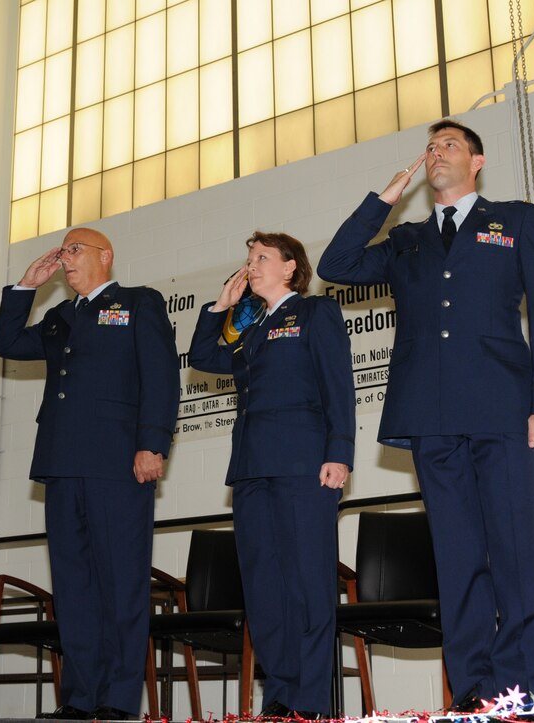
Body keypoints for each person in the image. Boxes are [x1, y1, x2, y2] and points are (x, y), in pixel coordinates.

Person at [318, 119, 534, 709]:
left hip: (503, 410)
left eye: (449, 145)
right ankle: (475, 694)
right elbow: (336, 263)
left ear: (477, 161)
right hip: (430, 416)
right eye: (430, 146)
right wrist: (382, 201)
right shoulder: (407, 240)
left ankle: (524, 695)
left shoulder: (515, 220)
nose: (436, 153)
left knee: (513, 553)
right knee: (458, 560)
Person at [0, 227, 180, 720]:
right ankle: (80, 697)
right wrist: (26, 287)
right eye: (63, 251)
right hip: (61, 461)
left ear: (106, 256)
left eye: (75, 249)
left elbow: (161, 375)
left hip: (118, 461)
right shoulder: (58, 316)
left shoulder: (138, 303)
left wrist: (152, 443)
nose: (66, 258)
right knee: (73, 587)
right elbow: (7, 341)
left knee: (121, 582)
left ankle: (118, 699)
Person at [188, 232, 355, 720]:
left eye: (262, 257)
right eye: (249, 257)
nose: (251, 264)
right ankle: (280, 694)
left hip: (304, 464)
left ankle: (310, 701)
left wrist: (339, 452)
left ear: (290, 267)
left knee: (308, 583)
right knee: (263, 587)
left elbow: (337, 383)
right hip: (251, 470)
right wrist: (221, 307)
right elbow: (204, 358)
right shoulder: (253, 329)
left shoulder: (314, 313)